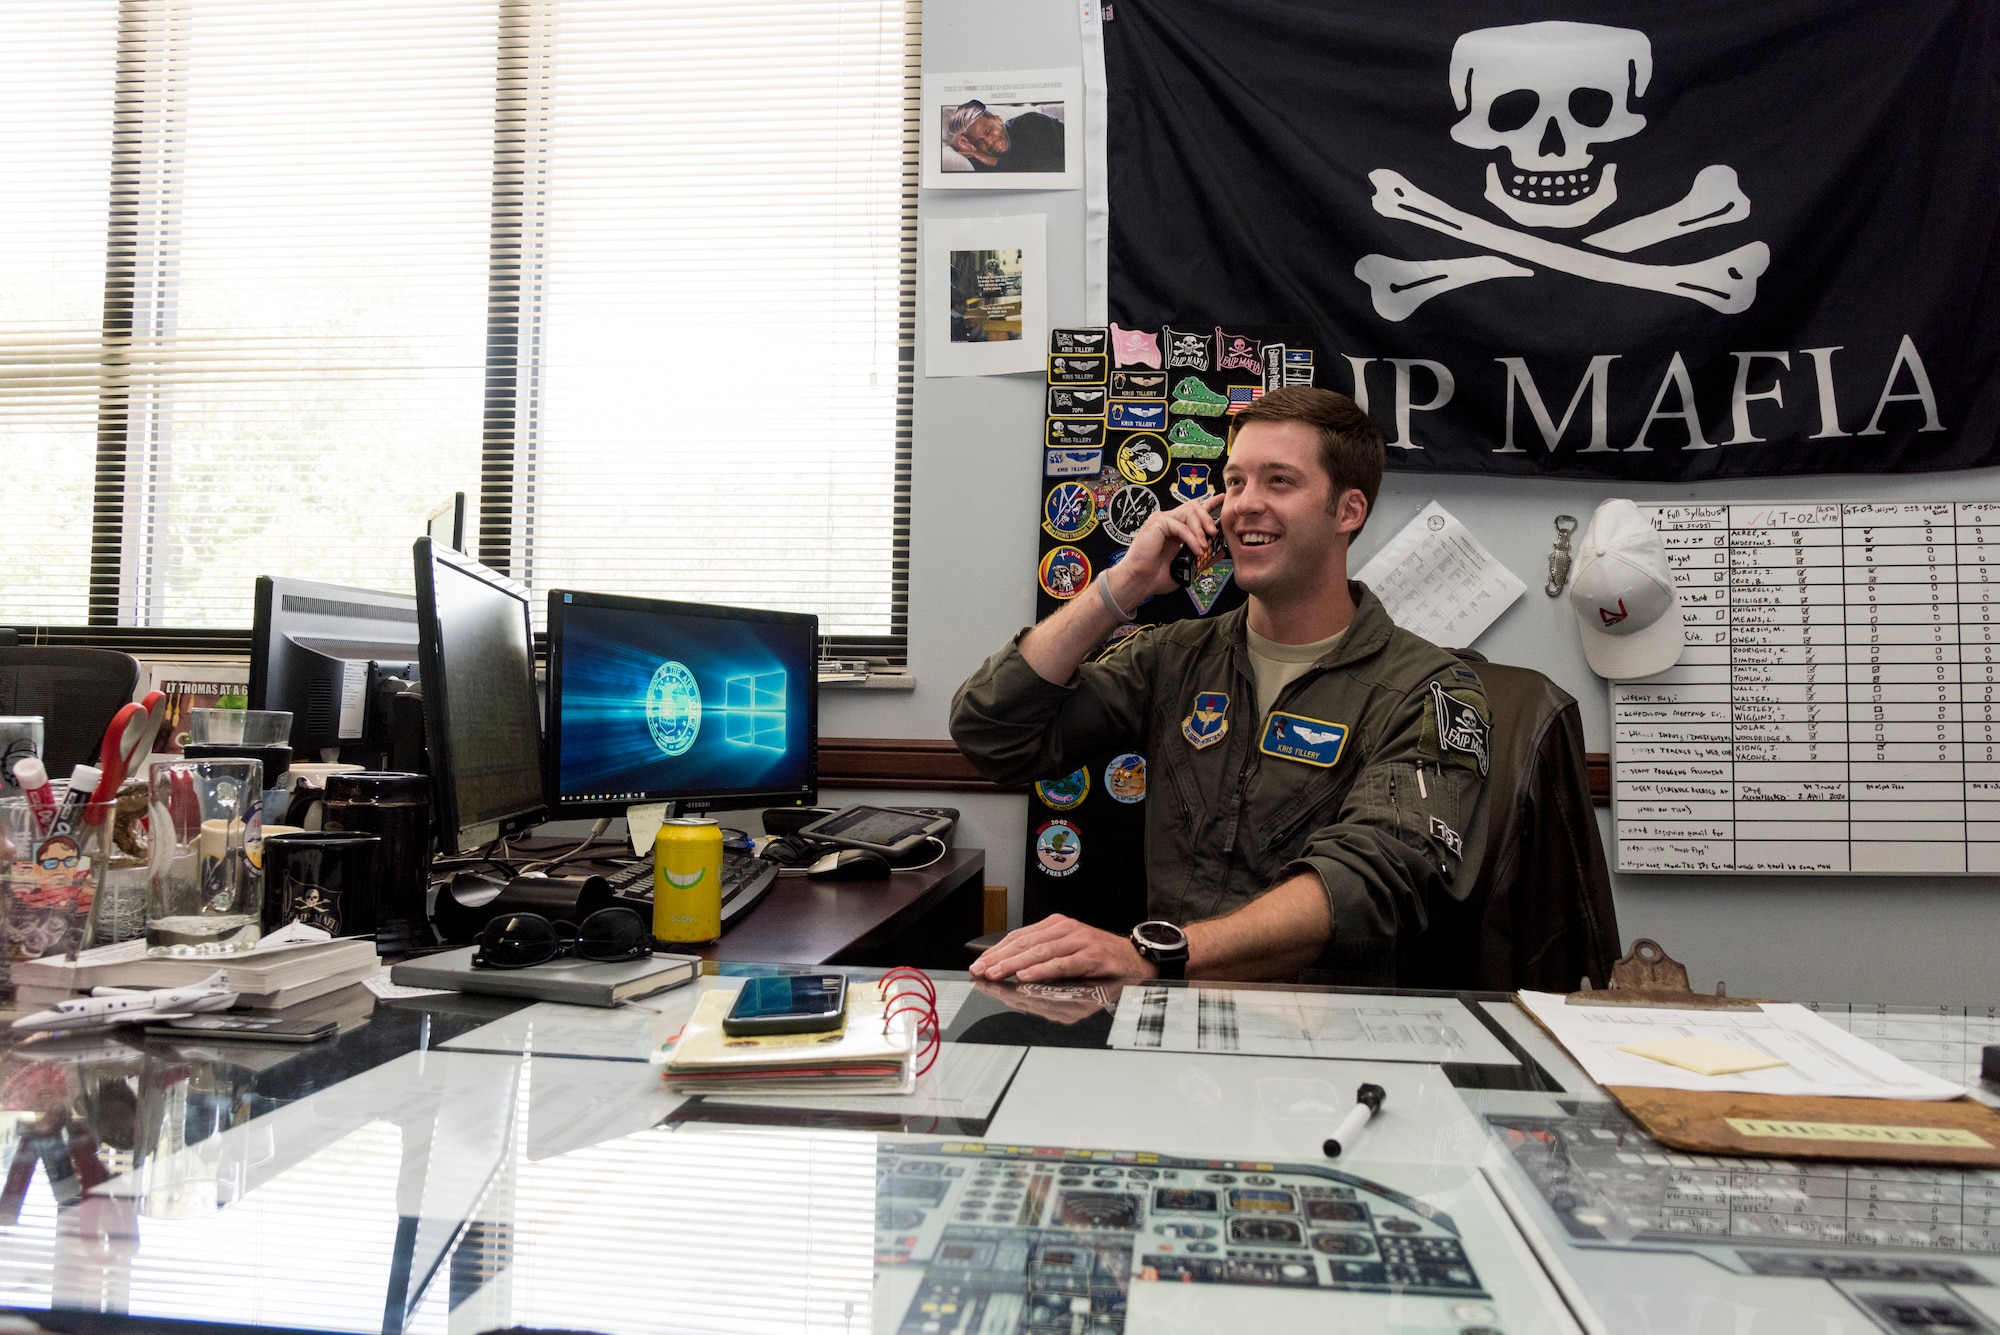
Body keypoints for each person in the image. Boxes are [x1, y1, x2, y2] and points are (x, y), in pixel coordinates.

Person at [950, 387, 1492, 986]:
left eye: (1278, 481)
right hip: (1174, 1019)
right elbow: (992, 733)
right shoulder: (1178, 656)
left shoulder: (1430, 689)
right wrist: (1121, 587)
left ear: (1348, 512)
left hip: (1323, 1037)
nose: (1242, 506)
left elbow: (1370, 879)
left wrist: (1157, 952)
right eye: (1234, 482)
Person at [943, 100, 1065, 174]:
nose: (989, 142)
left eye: (989, 131)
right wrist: (965, 146)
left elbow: (1049, 170)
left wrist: (995, 162)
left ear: (999, 119)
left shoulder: (1032, 122)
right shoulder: (982, 155)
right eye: (979, 142)